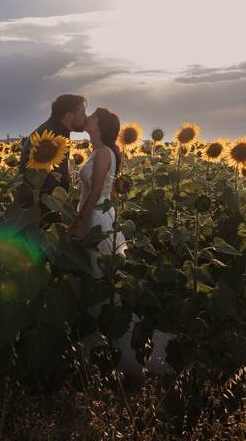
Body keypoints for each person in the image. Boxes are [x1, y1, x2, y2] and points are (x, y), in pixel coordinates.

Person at [69, 107, 174, 379]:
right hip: (95, 216)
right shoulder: (97, 151)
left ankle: (124, 352)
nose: (88, 119)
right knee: (92, 279)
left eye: (92, 116)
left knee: (98, 277)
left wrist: (79, 220)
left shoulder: (104, 153)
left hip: (96, 219)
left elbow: (94, 193)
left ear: (100, 125)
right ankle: (98, 349)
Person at [18, 94, 88, 208]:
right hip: (40, 209)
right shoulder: (51, 139)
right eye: (82, 114)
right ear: (69, 116)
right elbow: (55, 180)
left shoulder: (54, 130)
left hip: (36, 205)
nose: (86, 118)